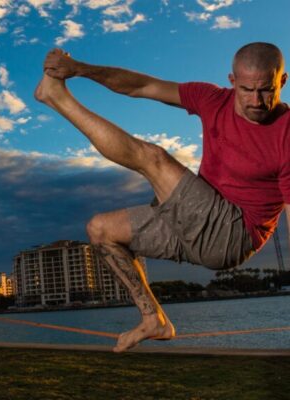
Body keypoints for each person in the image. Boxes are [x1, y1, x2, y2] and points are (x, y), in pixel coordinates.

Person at [35, 42, 290, 352]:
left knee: (153, 159)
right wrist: (80, 69)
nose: (256, 101)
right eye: (247, 90)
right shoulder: (212, 99)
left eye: (265, 90)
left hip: (234, 233)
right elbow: (142, 86)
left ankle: (56, 97)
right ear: (232, 81)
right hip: (196, 222)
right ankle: (153, 319)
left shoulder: (286, 133)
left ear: (283, 81)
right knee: (101, 230)